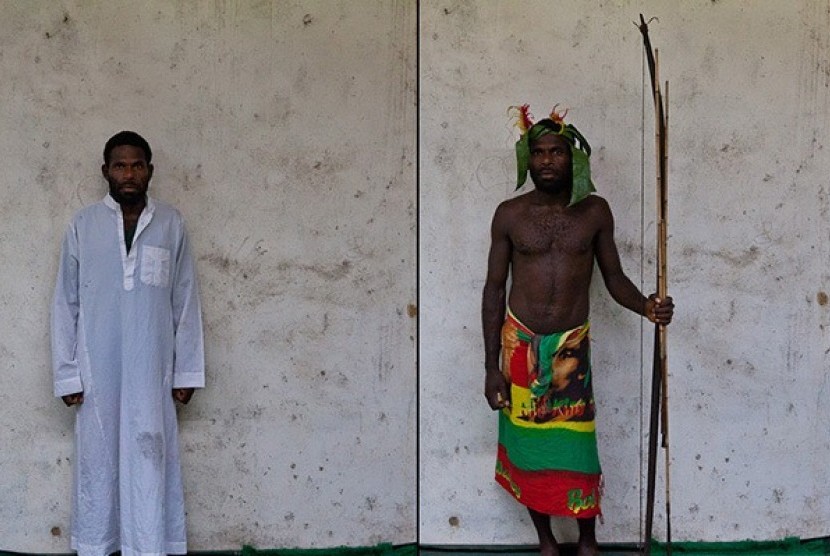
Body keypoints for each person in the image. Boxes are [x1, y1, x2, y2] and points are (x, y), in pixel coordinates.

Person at [482, 105, 674, 556]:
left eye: (557, 152)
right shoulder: (509, 215)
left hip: (570, 348)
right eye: (539, 152)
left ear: (575, 159)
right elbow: (493, 289)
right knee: (528, 446)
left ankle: (588, 542)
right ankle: (546, 542)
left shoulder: (594, 212)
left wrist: (647, 305)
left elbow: (614, 279)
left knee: (576, 446)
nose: (547, 160)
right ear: (526, 160)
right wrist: (491, 367)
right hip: (520, 344)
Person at [51, 131, 205, 556]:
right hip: (96, 373)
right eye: (120, 165)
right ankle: (99, 546)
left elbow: (185, 299)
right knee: (99, 462)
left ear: (150, 171)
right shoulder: (83, 225)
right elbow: (66, 302)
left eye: (137, 165)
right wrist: (67, 375)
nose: (129, 173)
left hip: (152, 370)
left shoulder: (171, 224)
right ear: (106, 172)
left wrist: (187, 370)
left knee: (150, 457)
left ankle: (149, 545)